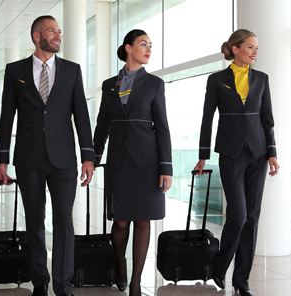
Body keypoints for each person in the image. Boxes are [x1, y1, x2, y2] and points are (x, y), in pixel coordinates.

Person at [0, 15, 94, 296]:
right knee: (34, 222)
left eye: (59, 32)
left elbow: (81, 116)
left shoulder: (72, 70)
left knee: (64, 222)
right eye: (52, 31)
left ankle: (64, 285)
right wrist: (2, 160)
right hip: (28, 158)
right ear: (36, 36)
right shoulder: (15, 70)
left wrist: (88, 156)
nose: (58, 36)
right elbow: (6, 117)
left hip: (64, 160)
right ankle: (40, 281)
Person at [193, 29, 280, 296]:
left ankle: (241, 282)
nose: (255, 52)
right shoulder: (217, 80)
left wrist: (273, 152)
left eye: (257, 48)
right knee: (238, 215)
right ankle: (219, 265)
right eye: (250, 47)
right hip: (230, 152)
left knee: (252, 218)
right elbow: (208, 117)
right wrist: (203, 155)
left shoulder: (262, 79)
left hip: (259, 153)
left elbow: (268, 119)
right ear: (235, 49)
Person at [93, 29, 173, 296]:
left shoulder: (154, 84)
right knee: (120, 222)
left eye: (150, 45)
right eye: (142, 44)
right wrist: (93, 159)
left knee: (142, 221)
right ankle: (120, 265)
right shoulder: (109, 85)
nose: (148, 49)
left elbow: (162, 127)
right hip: (118, 161)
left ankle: (136, 282)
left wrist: (166, 168)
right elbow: (102, 124)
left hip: (147, 162)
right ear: (128, 48)